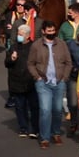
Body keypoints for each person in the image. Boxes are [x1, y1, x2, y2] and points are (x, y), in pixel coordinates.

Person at [27, 19, 71, 148]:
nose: (52, 33)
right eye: (49, 30)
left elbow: (68, 62)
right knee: (45, 110)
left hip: (59, 81)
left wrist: (64, 78)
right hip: (43, 82)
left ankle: (56, 133)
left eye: (53, 30)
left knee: (57, 110)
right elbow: (30, 63)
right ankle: (45, 138)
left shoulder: (62, 44)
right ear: (43, 31)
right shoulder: (36, 45)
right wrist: (37, 77)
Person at [4, 23, 38, 138]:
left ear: (28, 36)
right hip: (17, 81)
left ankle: (34, 128)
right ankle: (23, 128)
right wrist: (11, 59)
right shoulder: (14, 47)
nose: (19, 36)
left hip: (31, 82)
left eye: (21, 34)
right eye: (18, 34)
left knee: (33, 106)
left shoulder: (34, 47)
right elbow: (6, 63)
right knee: (19, 106)